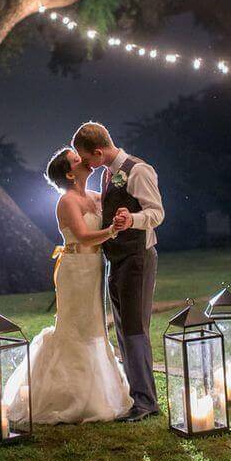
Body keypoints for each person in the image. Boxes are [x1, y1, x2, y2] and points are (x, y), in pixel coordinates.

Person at [5, 146, 132, 425]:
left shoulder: (93, 196)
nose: (84, 160)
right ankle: (66, 395)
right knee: (76, 327)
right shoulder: (67, 201)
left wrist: (123, 211)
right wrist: (112, 230)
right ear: (69, 172)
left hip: (94, 268)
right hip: (75, 270)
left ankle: (99, 392)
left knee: (95, 326)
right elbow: (85, 236)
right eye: (77, 160)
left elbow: (112, 201)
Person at [72, 122, 164, 422]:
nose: (87, 165)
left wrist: (133, 219)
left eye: (87, 160)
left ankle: (146, 402)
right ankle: (137, 395)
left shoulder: (138, 170)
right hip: (118, 259)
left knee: (135, 329)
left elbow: (157, 213)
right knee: (124, 329)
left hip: (138, 258)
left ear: (98, 152)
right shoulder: (108, 174)